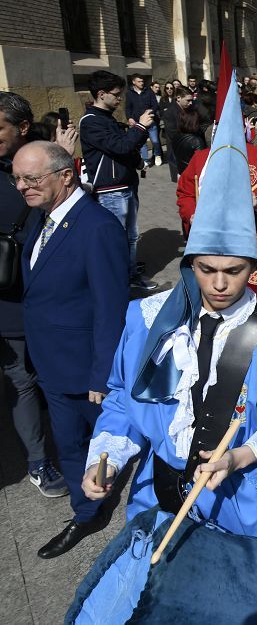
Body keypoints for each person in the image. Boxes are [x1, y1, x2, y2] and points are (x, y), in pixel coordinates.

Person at [82, 78, 257, 554]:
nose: (221, 284)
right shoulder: (145, 318)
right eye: (207, 269)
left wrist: (244, 455)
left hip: (242, 495)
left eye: (235, 271)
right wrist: (103, 458)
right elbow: (124, 395)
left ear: (254, 268)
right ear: (190, 265)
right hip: (158, 492)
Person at [14, 140, 129, 558]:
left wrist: (102, 373)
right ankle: (87, 510)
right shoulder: (42, 217)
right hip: (51, 360)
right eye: (18, 179)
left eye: (32, 178)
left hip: (84, 367)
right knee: (68, 443)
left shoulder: (97, 226)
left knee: (104, 442)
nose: (23, 186)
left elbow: (110, 306)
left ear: (66, 176)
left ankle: (94, 510)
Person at [0, 93, 68, 500]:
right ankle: (38, 460)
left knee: (32, 374)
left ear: (22, 128)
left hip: (36, 296)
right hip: (6, 301)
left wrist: (62, 169)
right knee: (20, 381)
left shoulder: (37, 170)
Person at [79, 70, 157, 290]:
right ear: (101, 94)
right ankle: (117, 282)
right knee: (116, 240)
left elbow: (124, 150)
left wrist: (139, 162)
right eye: (116, 94)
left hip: (126, 185)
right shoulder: (90, 122)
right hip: (110, 190)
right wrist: (141, 127)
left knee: (131, 237)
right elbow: (120, 146)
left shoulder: (107, 118)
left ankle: (130, 274)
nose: (120, 97)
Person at [125, 74, 162, 169]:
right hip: (138, 122)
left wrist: (150, 111)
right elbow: (128, 108)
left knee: (155, 141)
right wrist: (129, 118)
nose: (142, 83)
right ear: (133, 82)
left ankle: (157, 154)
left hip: (150, 120)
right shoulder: (129, 93)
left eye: (142, 81)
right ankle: (145, 160)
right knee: (142, 143)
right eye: (139, 81)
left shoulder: (149, 91)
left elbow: (155, 105)